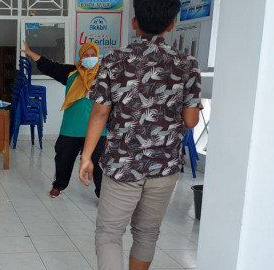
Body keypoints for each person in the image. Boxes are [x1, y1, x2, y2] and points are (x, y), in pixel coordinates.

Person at [78, 0, 202, 269]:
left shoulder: (114, 59)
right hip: (164, 164)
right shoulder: (187, 63)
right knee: (146, 233)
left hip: (123, 163)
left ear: (134, 23)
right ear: (171, 25)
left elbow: (99, 112)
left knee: (110, 233)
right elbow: (191, 121)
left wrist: (86, 156)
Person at [21, 41, 107, 198]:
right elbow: (50, 67)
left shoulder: (105, 75)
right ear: (80, 57)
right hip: (71, 127)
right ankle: (58, 185)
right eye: (86, 55)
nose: (89, 58)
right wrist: (30, 52)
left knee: (99, 162)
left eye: (92, 55)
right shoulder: (72, 73)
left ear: (97, 56)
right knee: (63, 157)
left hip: (97, 128)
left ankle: (103, 194)